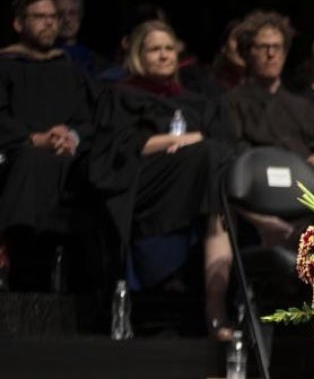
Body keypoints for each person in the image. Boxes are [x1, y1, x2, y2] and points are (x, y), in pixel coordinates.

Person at [89, 19, 236, 341]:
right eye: (154, 49)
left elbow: (226, 146)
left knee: (218, 178)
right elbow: (116, 148)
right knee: (209, 158)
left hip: (195, 184)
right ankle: (214, 310)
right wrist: (176, 142)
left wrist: (192, 144)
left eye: (169, 48)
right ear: (138, 54)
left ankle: (216, 304)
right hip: (143, 184)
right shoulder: (120, 95)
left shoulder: (197, 101)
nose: (164, 55)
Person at [0, 0, 99, 292]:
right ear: (19, 24)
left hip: (67, 157)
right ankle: (19, 254)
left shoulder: (69, 70)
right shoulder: (5, 65)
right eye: (39, 17)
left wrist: (71, 136)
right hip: (17, 155)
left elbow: (89, 120)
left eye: (53, 17)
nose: (49, 24)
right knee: (33, 161)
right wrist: (34, 138)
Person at [220, 10, 314, 244]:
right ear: (247, 53)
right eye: (262, 47)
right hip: (259, 196)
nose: (271, 54)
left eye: (277, 47)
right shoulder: (231, 102)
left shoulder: (303, 105)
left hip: (306, 194)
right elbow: (234, 151)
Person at [52, 0, 109, 78]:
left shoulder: (96, 61)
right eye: (60, 14)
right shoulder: (39, 58)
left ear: (80, 17)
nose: (66, 19)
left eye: (72, 13)